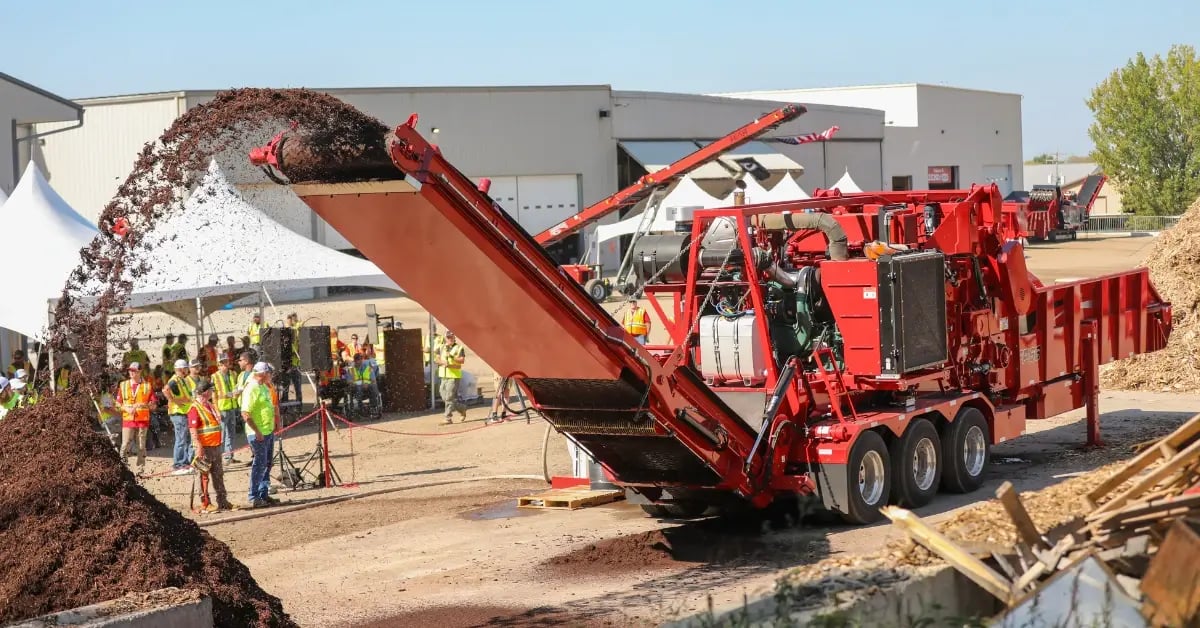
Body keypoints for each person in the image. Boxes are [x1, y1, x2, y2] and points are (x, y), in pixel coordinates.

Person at [188, 381, 236, 513]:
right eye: (210, 390)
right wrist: (199, 447)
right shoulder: (195, 408)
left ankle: (223, 501)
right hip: (204, 448)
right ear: (205, 392)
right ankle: (205, 503)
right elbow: (193, 430)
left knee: (218, 474)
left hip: (215, 446)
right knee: (203, 476)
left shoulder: (209, 405)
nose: (212, 392)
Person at [241, 361, 279, 508]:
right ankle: (254, 496)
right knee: (259, 465)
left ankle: (263, 494)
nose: (271, 375)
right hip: (257, 434)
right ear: (262, 374)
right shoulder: (252, 388)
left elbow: (270, 406)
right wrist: (257, 431)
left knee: (267, 463)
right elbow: (245, 413)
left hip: (267, 431)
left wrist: (275, 423)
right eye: (269, 373)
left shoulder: (264, 387)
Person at [116, 362, 155, 476]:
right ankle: (122, 468)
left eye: (134, 370)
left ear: (139, 372)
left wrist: (145, 405)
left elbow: (153, 405)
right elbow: (118, 404)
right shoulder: (123, 385)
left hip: (142, 421)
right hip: (128, 420)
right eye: (130, 370)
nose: (131, 372)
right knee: (125, 444)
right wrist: (125, 409)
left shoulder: (147, 386)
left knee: (141, 446)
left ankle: (140, 469)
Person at [163, 358, 197, 475]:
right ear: (182, 369)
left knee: (185, 439)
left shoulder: (182, 380)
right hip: (178, 412)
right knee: (181, 439)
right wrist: (174, 401)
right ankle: (178, 464)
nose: (187, 370)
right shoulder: (175, 380)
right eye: (186, 368)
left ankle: (185, 463)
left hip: (183, 411)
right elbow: (166, 390)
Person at [211, 352, 242, 464]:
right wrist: (216, 410)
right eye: (223, 362)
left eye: (226, 362)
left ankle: (229, 457)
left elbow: (237, 387)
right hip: (222, 408)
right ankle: (219, 457)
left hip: (232, 407)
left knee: (231, 433)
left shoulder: (233, 374)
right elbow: (214, 395)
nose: (225, 364)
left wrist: (237, 393)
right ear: (219, 364)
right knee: (222, 435)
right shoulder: (214, 376)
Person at [435, 331, 467, 424]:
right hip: (443, 376)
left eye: (451, 337)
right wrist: (443, 363)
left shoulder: (459, 348)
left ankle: (447, 418)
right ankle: (462, 408)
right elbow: (436, 359)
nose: (450, 339)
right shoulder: (441, 347)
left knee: (449, 397)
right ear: (445, 338)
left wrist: (451, 357)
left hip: (454, 376)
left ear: (454, 338)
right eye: (448, 337)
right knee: (443, 395)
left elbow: (461, 361)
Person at [347, 353, 381, 417]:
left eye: (360, 360)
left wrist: (367, 383)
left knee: (373, 386)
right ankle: (359, 407)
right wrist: (352, 383)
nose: (358, 362)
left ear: (362, 360)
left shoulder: (368, 368)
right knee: (357, 388)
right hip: (356, 388)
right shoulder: (351, 369)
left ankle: (373, 407)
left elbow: (373, 380)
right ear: (354, 361)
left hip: (368, 387)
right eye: (357, 360)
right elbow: (349, 381)